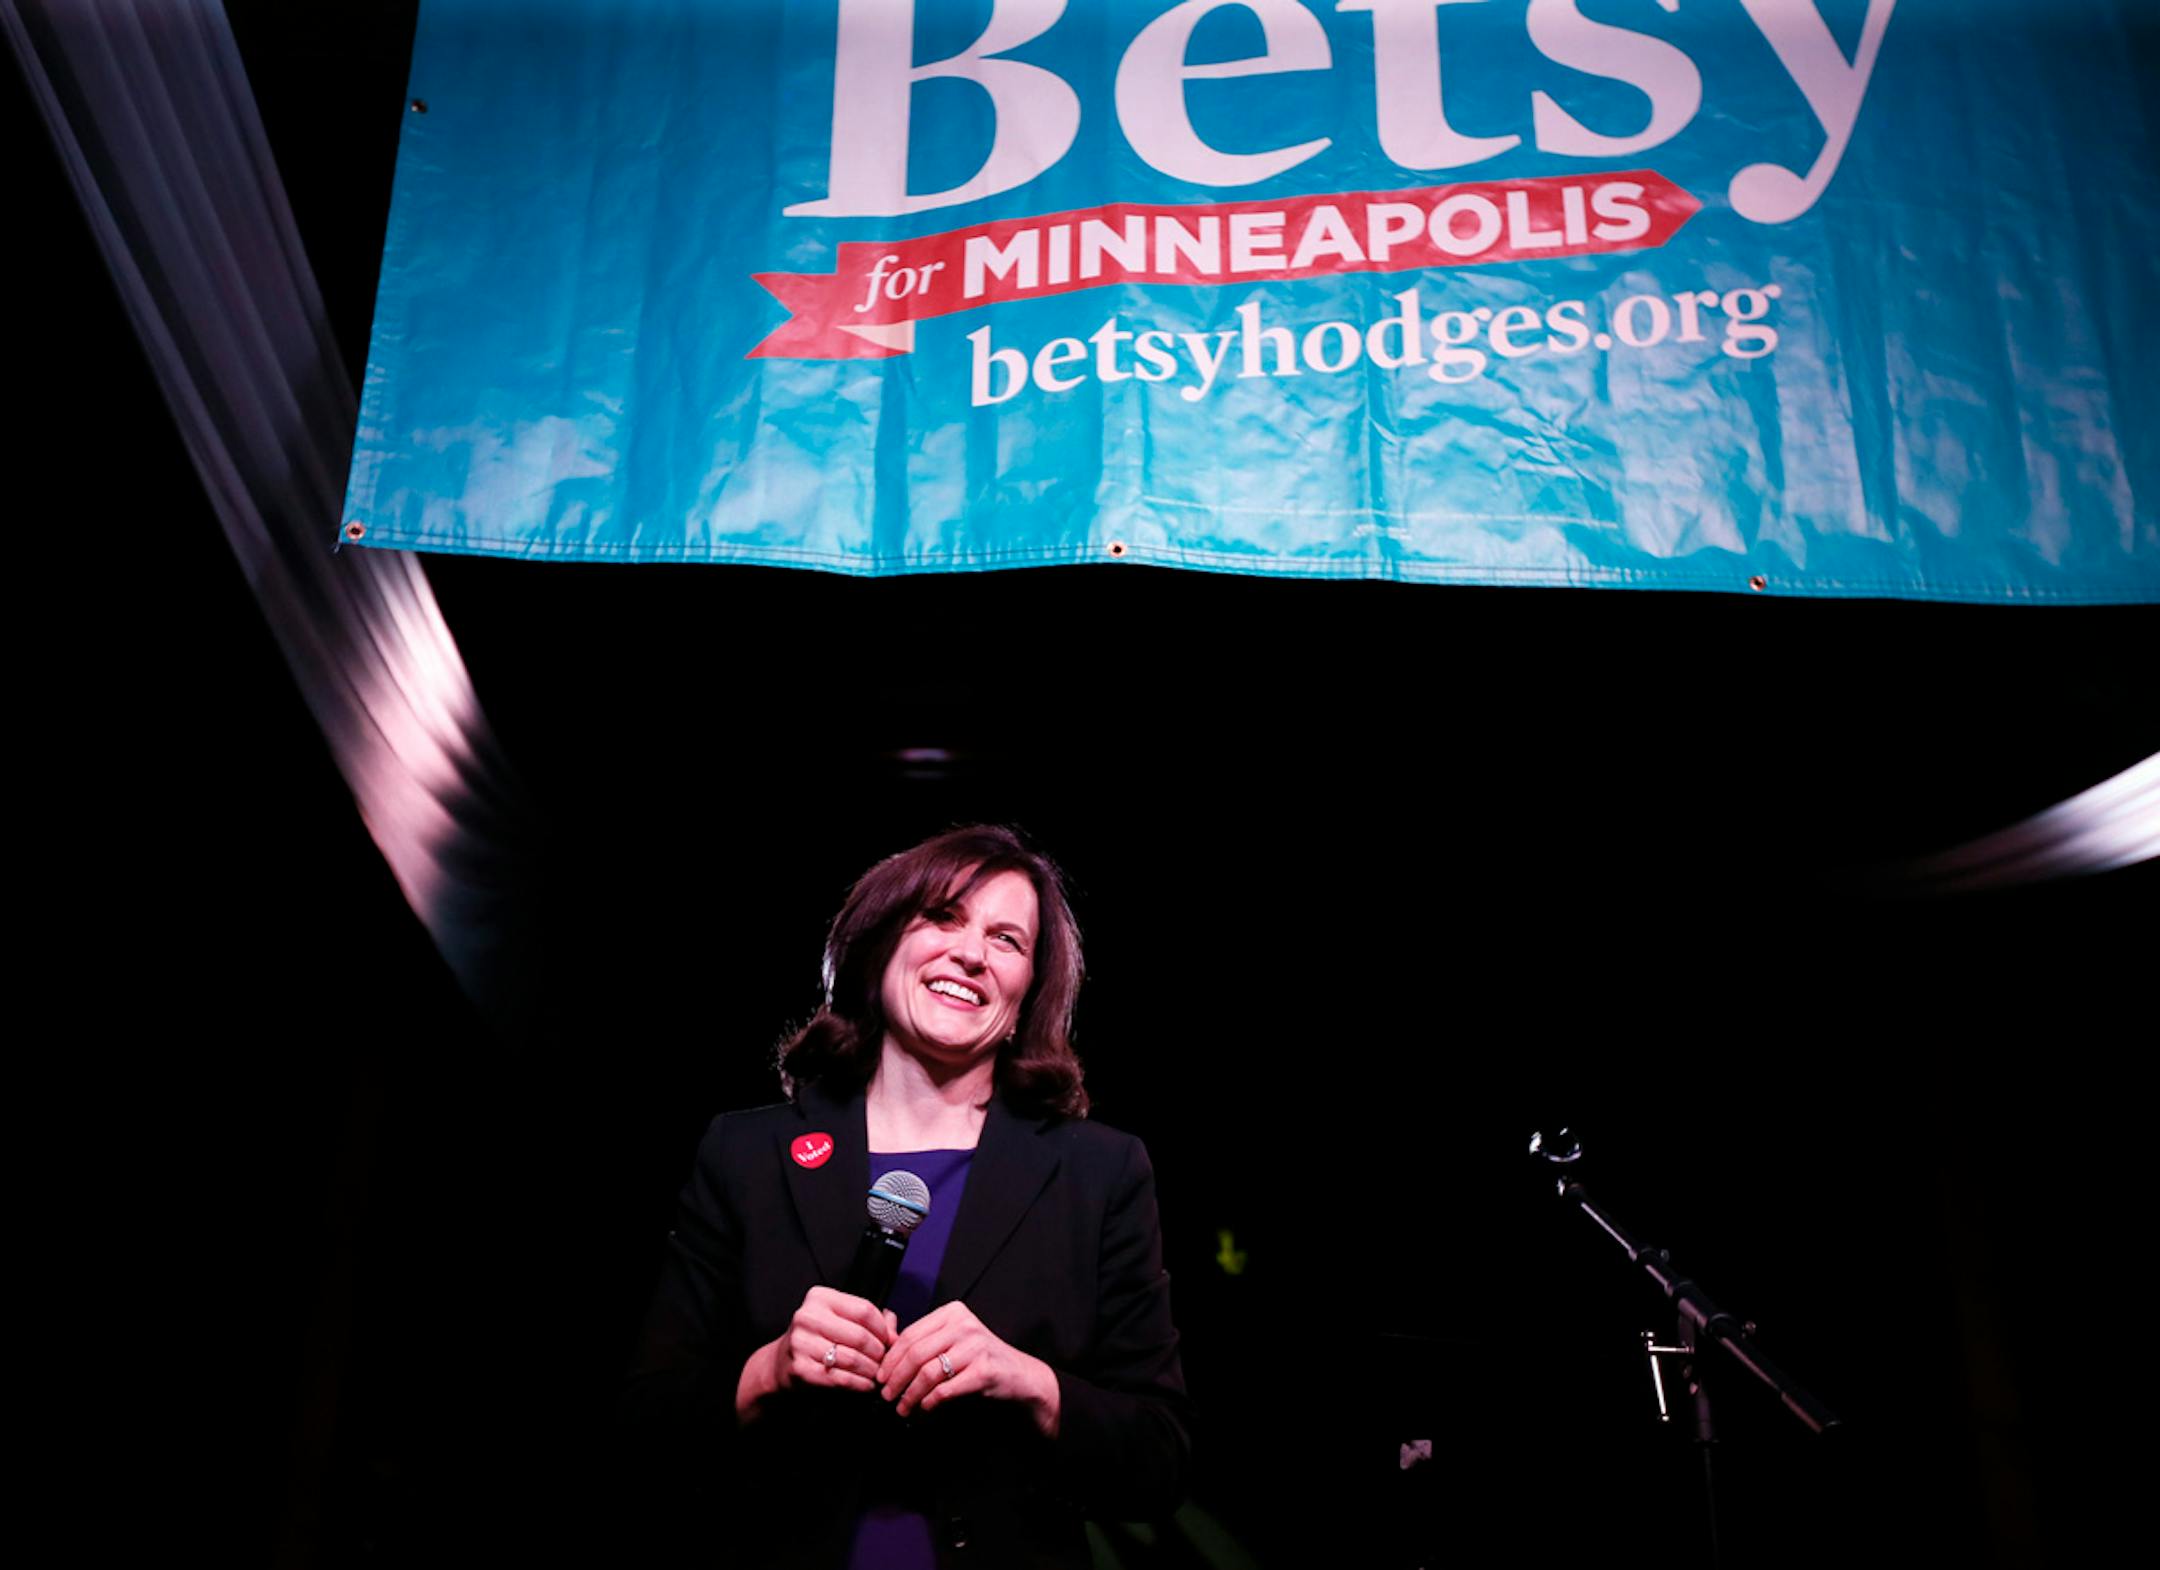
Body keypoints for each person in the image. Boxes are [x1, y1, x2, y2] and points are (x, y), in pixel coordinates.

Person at [620, 825, 1190, 1567]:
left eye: (1008, 940)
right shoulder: (744, 1154)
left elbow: (1162, 1458)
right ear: (880, 944)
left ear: (1026, 996)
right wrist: (770, 1371)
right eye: (943, 916)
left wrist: (1032, 1384)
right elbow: (644, 1433)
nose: (972, 954)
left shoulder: (1101, 1173)